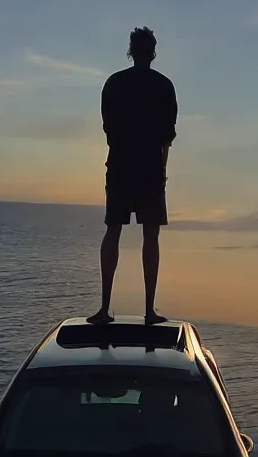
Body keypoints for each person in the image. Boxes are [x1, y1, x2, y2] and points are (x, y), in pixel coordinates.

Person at [87, 26, 177, 325]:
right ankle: (149, 311)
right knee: (150, 236)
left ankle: (104, 309)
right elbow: (167, 137)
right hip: (150, 168)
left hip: (121, 166)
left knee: (114, 230)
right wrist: (162, 170)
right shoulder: (164, 86)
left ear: (131, 50)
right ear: (152, 52)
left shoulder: (114, 84)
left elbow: (108, 129)